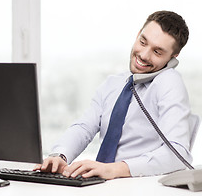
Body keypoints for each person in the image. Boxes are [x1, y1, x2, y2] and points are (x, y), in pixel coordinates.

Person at [34, 10, 193, 180]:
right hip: (103, 185)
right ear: (138, 35)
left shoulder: (169, 81)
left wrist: (114, 170)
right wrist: (60, 155)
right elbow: (84, 127)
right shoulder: (114, 83)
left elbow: (178, 153)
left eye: (157, 52)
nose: (144, 55)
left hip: (137, 185)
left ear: (173, 58)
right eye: (143, 42)